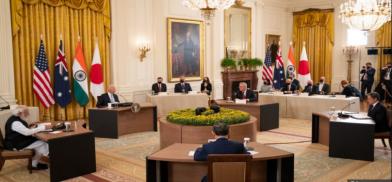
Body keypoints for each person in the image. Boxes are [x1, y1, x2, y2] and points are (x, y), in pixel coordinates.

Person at [4, 106, 51, 170]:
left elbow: (24, 130)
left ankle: (34, 164)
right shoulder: (15, 122)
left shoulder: (16, 118)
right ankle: (55, 158)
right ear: (19, 113)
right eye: (26, 112)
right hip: (15, 144)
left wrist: (32, 127)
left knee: (40, 144)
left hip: (18, 140)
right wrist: (43, 127)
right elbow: (27, 132)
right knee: (42, 143)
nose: (28, 114)